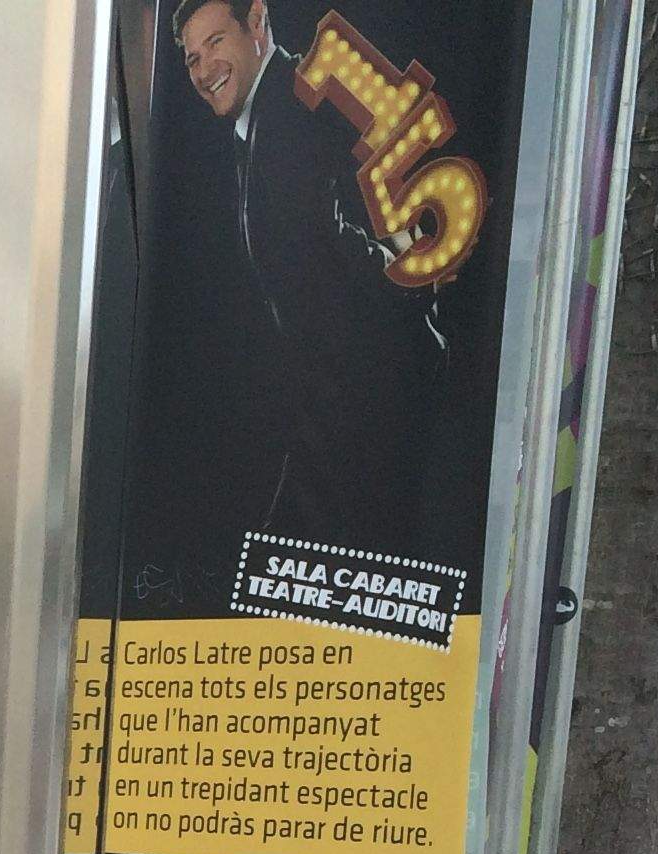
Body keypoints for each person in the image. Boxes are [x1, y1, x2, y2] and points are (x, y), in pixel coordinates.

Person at [154, 0, 452, 593]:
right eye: (191, 58)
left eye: (215, 43)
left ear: (256, 23)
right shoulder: (268, 116)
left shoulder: (291, 109)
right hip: (338, 405)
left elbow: (324, 249)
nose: (204, 69)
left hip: (364, 404)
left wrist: (399, 269)